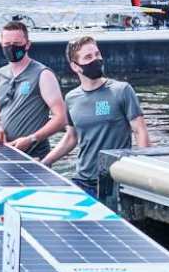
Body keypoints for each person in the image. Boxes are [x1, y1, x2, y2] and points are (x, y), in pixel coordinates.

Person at [42, 36, 150, 197]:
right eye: (88, 57)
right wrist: (45, 162)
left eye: (97, 54)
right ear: (75, 66)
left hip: (115, 180)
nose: (96, 60)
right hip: (83, 180)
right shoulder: (71, 98)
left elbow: (140, 131)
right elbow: (71, 137)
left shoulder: (121, 90)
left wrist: (143, 171)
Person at [0, 21, 68, 159]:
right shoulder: (1, 74)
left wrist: (32, 138)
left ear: (27, 44)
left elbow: (61, 117)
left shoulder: (43, 74)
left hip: (34, 155)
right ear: (1, 44)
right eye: (7, 45)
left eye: (17, 44)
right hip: (5, 151)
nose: (11, 48)